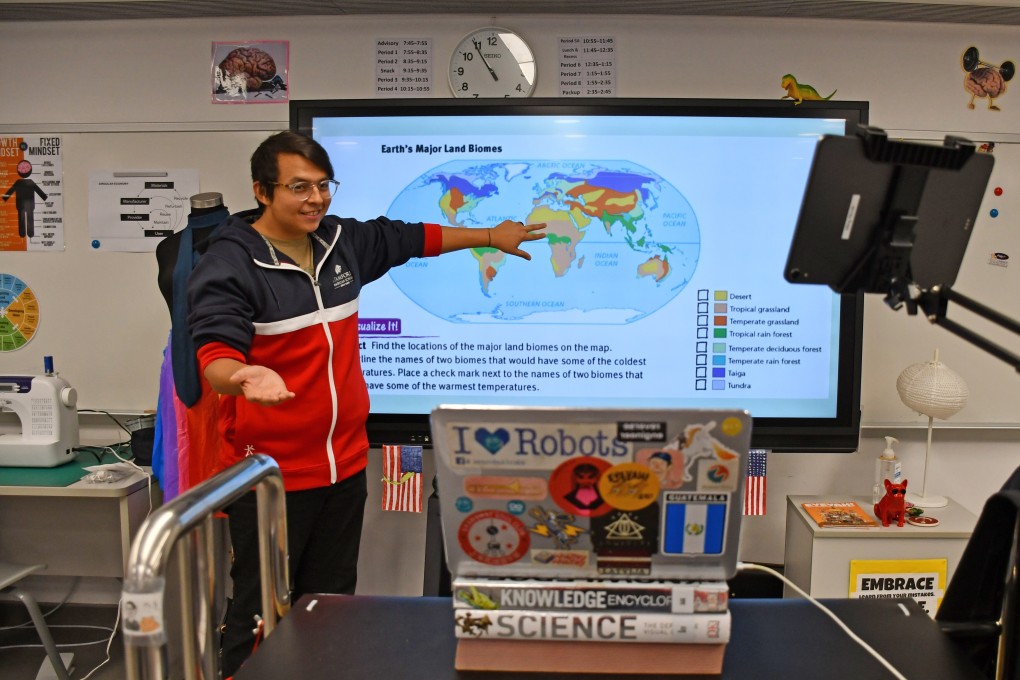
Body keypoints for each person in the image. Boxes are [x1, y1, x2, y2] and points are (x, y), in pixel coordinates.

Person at [186, 130, 545, 676]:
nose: (316, 199)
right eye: (299, 187)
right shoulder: (231, 263)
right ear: (262, 191)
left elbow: (410, 237)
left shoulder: (340, 243)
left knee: (330, 608)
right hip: (272, 480)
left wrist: (489, 234)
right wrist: (242, 375)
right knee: (263, 615)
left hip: (344, 465)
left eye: (324, 185)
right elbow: (213, 351)